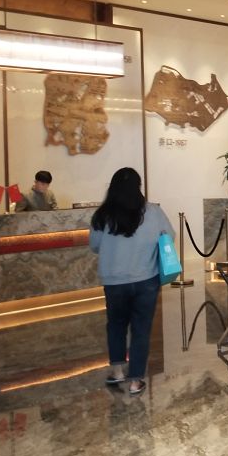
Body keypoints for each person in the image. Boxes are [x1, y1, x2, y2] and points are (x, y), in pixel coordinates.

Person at [89, 167, 174, 395]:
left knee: (115, 325)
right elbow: (170, 236)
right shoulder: (153, 211)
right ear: (138, 186)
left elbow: (94, 245)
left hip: (114, 281)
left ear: (113, 187)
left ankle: (118, 373)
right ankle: (136, 381)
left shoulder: (102, 215)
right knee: (141, 329)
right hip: (146, 279)